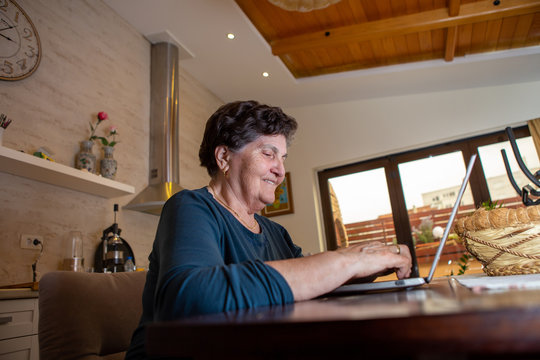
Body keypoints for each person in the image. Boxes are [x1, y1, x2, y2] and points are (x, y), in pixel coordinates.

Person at [126, 100, 412, 359]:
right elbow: (189, 298)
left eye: (283, 158)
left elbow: (310, 283)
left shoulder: (275, 232)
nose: (280, 170)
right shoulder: (190, 207)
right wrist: (348, 260)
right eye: (268, 154)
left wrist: (368, 265)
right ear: (224, 158)